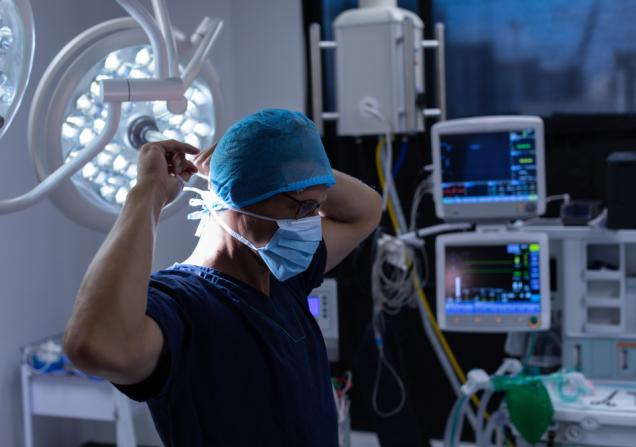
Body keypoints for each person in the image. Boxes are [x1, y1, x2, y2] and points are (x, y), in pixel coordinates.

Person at [64, 109, 382, 446]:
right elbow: (96, 345)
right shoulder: (181, 304)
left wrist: (296, 167)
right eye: (301, 206)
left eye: (315, 207)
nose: (310, 221)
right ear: (240, 199)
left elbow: (366, 211)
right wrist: (148, 192)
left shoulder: (284, 275)